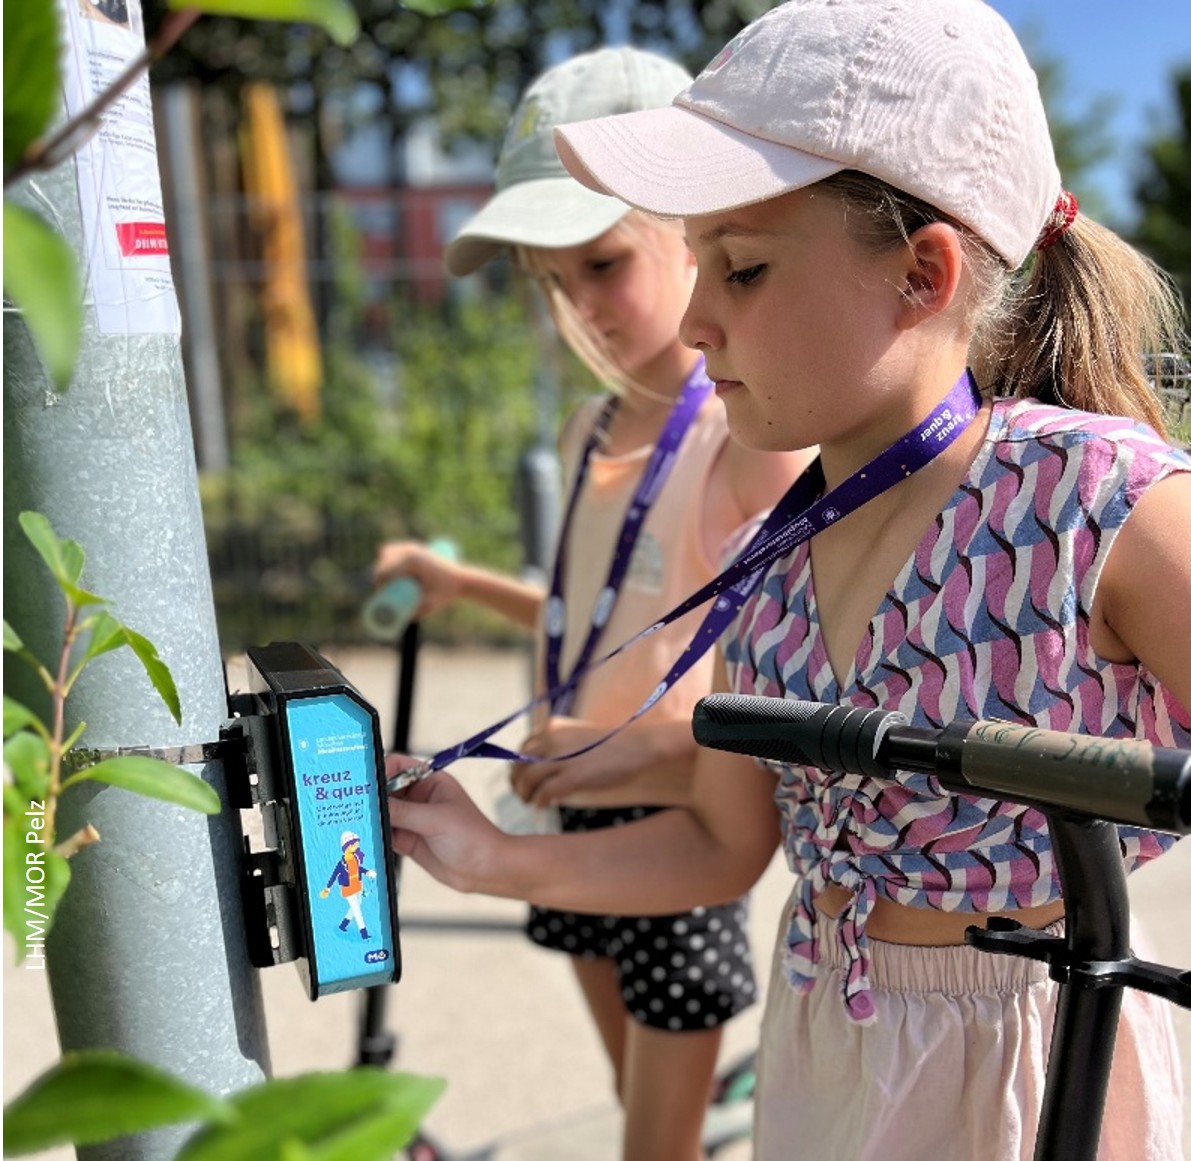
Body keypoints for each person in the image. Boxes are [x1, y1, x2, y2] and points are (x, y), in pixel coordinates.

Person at [387, 2, 1191, 1158]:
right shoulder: (779, 553)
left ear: (922, 275)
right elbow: (725, 845)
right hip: (827, 1053)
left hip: (1028, 1075)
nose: (700, 320)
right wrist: (491, 857)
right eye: (701, 262)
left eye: (744, 268)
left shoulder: (1089, 503)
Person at [372, 45, 815, 1161]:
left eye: (602, 263)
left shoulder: (749, 439)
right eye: (552, 279)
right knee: (637, 1119)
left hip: (672, 835)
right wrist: (465, 585)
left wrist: (632, 749)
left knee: (653, 1149)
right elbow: (602, 631)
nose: (580, 308)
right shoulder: (586, 431)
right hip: (565, 802)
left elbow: (778, 707)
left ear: (688, 228)